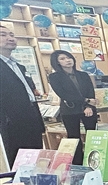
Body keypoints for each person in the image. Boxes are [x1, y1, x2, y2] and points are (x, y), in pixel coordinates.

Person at [0, 23, 45, 167]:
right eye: (3, 35)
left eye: (12, 35)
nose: (10, 38)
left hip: (31, 117)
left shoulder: (18, 66)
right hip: (11, 123)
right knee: (18, 163)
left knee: (36, 159)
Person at [48, 50, 98, 165]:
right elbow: (64, 94)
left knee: (92, 136)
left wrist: (88, 105)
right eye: (62, 59)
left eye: (69, 57)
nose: (67, 60)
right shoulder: (54, 77)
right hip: (69, 110)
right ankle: (78, 164)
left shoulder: (83, 75)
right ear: (57, 62)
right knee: (74, 138)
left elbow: (90, 91)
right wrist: (85, 101)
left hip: (88, 109)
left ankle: (94, 161)